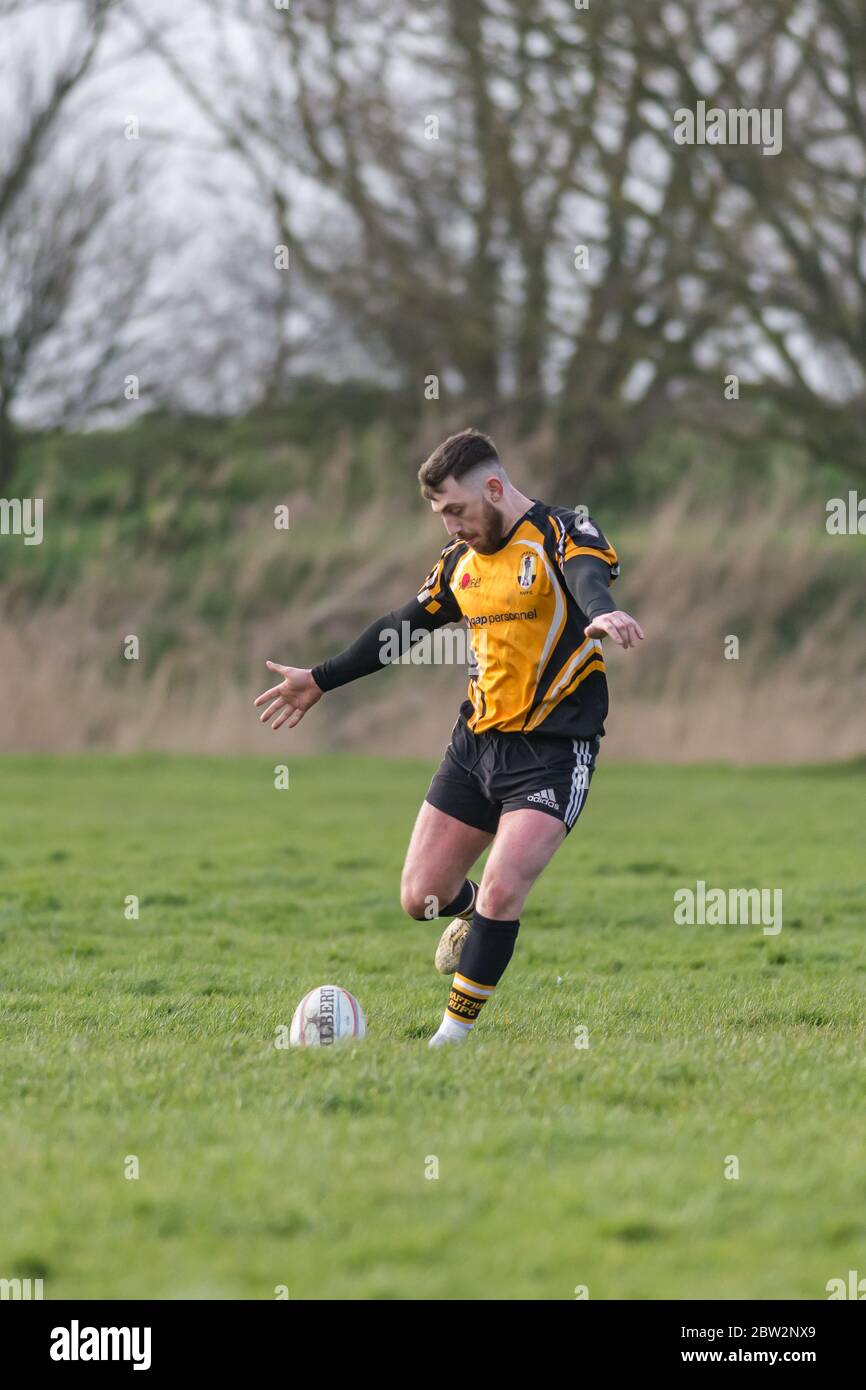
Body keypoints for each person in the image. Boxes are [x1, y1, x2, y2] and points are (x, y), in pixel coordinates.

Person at [255, 428, 644, 1047]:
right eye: (440, 516)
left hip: (554, 749)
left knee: (504, 883)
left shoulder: (563, 533)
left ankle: (449, 1040)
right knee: (422, 897)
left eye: (456, 511)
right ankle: (479, 920)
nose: (451, 527)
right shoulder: (459, 564)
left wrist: (600, 611)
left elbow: (585, 575)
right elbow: (400, 627)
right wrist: (320, 680)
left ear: (494, 488)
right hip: (475, 746)